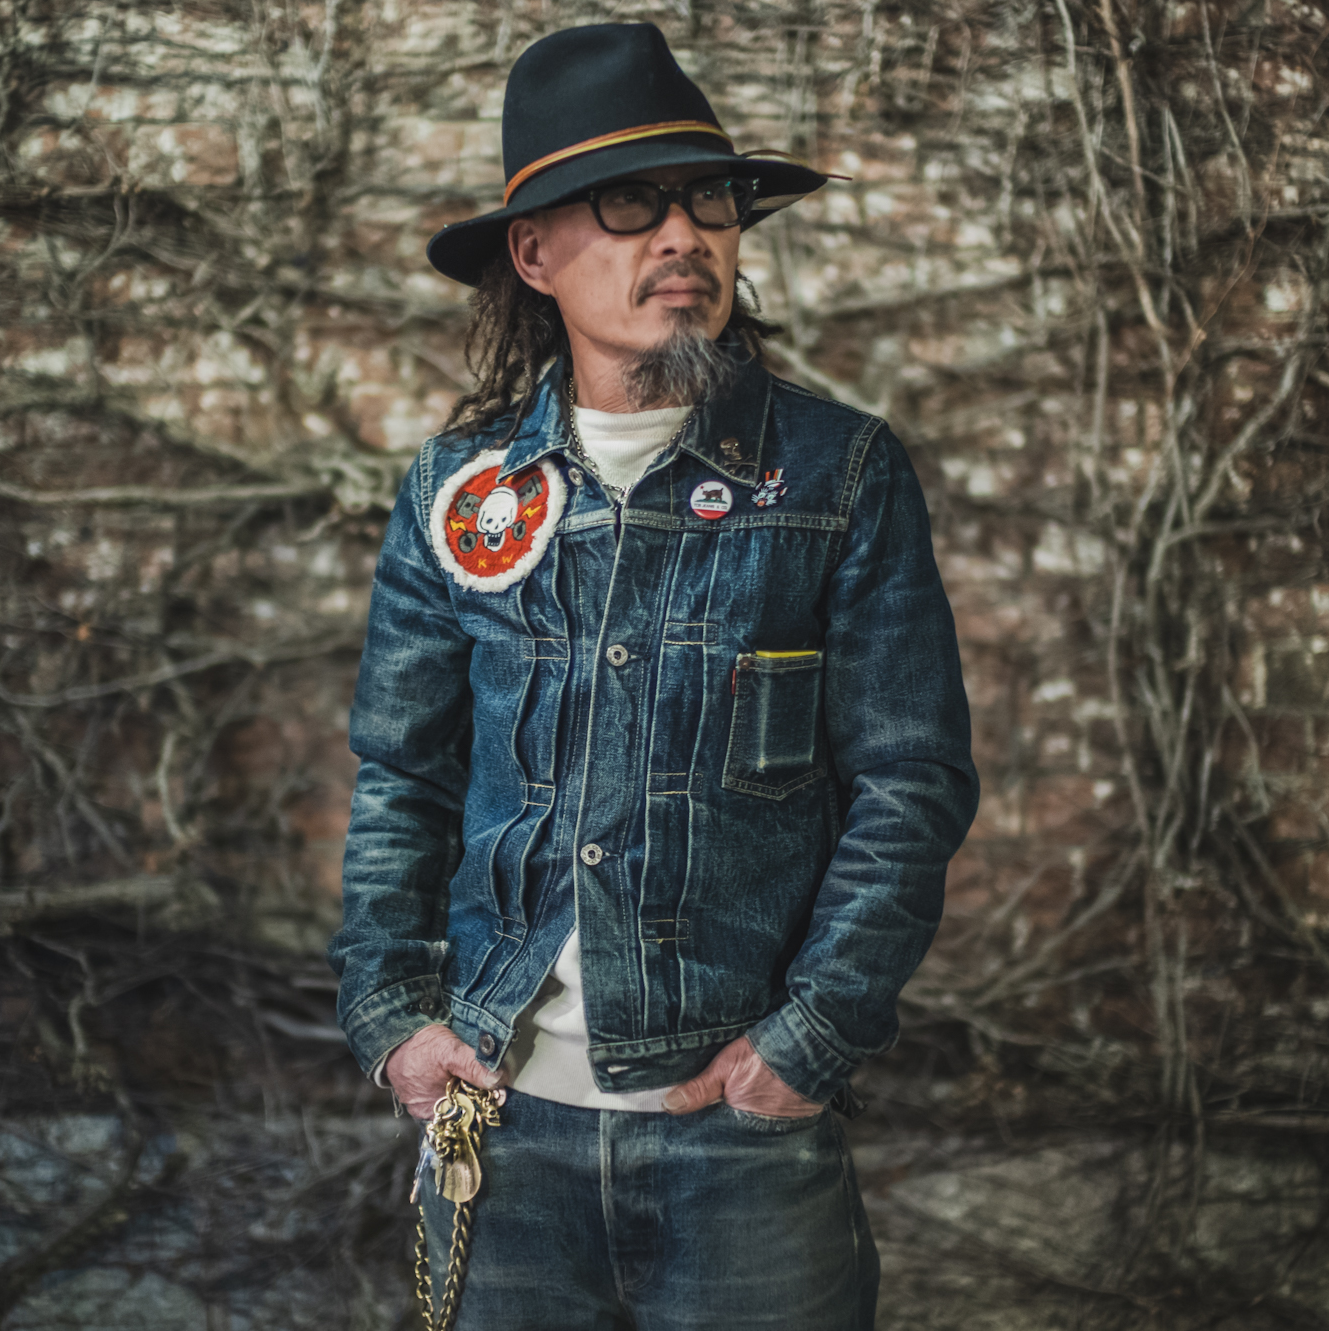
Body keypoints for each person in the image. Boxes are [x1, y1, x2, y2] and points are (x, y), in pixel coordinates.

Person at [327, 22, 977, 1329]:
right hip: (501, 1130)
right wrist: (394, 1022)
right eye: (630, 203)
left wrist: (807, 1045)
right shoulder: (461, 491)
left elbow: (910, 782)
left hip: (740, 1141)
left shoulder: (836, 476)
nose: (684, 235)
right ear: (534, 254)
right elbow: (402, 773)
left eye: (709, 199)